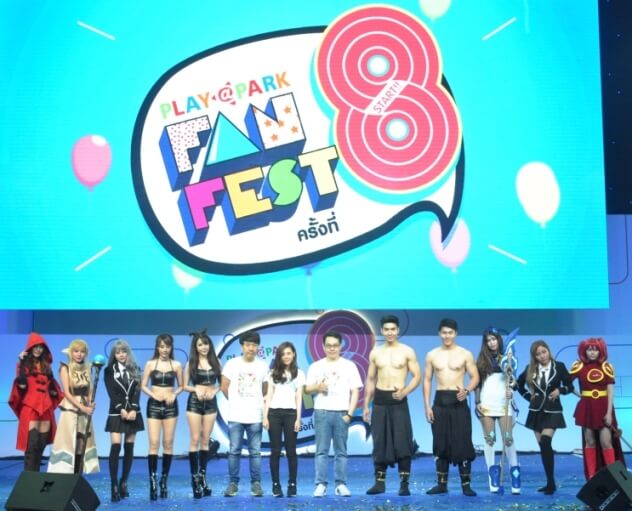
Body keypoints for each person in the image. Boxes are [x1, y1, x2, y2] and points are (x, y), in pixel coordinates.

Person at [362, 314, 421, 496]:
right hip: (380, 400)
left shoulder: (407, 351)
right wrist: (366, 405)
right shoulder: (375, 352)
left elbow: (417, 376)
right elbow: (370, 379)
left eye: (393, 329)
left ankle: (404, 484)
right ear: (381, 330)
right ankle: (379, 483)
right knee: (380, 442)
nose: (389, 333)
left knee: (402, 442)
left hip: (398, 400)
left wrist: (405, 391)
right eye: (386, 329)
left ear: (398, 330)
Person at [423, 318, 479, 496]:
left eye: (450, 332)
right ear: (439, 333)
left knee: (463, 442)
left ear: (456, 333)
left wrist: (467, 390)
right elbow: (427, 380)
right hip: (439, 401)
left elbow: (475, 377)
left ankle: (466, 486)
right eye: (444, 332)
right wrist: (427, 406)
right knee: (440, 444)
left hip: (458, 401)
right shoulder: (432, 355)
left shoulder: (465, 354)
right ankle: (441, 485)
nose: (447, 336)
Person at [305, 330, 363, 498]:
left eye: (335, 345)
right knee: (321, 451)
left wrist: (350, 414)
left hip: (342, 413)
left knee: (341, 452)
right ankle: (321, 484)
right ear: (323, 347)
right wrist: (318, 387)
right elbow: (307, 389)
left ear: (340, 346)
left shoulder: (349, 366)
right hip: (322, 412)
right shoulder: (316, 366)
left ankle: (340, 484)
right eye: (329, 345)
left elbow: (355, 391)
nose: (332, 348)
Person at [516, 339, 574, 494]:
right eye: (538, 354)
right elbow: (518, 385)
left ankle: (551, 483)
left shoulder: (559, 366)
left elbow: (570, 386)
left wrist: (560, 391)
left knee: (546, 441)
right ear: (534, 357)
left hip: (552, 411)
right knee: (543, 447)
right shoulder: (530, 369)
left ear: (548, 351)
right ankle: (549, 482)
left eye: (544, 352)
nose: (542, 356)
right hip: (536, 412)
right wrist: (528, 396)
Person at [221, 330, 269, 497]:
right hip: (236, 415)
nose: (251, 348)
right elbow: (224, 386)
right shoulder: (232, 364)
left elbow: (265, 390)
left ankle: (256, 484)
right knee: (234, 450)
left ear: (258, 347)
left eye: (254, 345)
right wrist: (236, 401)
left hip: (255, 415)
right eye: (248, 345)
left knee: (255, 452)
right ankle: (233, 484)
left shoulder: (263, 366)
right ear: (242, 346)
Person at [570, 337, 625, 480]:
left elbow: (610, 391)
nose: (592, 352)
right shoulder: (579, 366)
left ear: (601, 351)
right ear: (584, 351)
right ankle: (592, 476)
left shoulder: (606, 367)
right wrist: (580, 395)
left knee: (606, 442)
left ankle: (614, 476)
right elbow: (567, 383)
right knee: (590, 442)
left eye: (595, 350)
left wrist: (609, 413)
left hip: (603, 407)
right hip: (587, 408)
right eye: (589, 350)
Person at [474, 328, 520, 494]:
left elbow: (514, 381)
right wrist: (477, 402)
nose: (491, 343)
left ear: (499, 340)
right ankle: (492, 478)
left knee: (508, 439)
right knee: (490, 439)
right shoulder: (481, 360)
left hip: (504, 403)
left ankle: (515, 476)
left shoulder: (509, 357)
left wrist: (512, 388)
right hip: (487, 402)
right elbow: (477, 384)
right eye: (488, 340)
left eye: (494, 339)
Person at [9, 332, 62, 471]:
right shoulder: (23, 365)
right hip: (30, 408)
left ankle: (36, 480)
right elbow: (21, 386)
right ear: (30, 347)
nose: (38, 349)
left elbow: (53, 388)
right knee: (31, 449)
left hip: (46, 409)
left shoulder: (47, 366)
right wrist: (21, 362)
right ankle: (28, 480)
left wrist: (56, 395)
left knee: (40, 447)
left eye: (41, 347)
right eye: (35, 346)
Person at [141, 334, 183, 500]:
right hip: (154, 405)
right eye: (162, 346)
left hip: (171, 406)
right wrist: (153, 395)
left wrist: (174, 393)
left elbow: (182, 386)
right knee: (154, 443)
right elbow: (143, 385)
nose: (164, 350)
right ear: (157, 347)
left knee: (168, 443)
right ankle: (152, 481)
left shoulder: (177, 365)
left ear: (171, 347)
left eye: (167, 346)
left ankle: (163, 480)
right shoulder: (150, 364)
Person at [48, 339, 99, 474]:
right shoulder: (65, 368)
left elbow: (89, 390)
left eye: (82, 352)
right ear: (71, 352)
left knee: (82, 444)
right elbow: (67, 393)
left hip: (84, 410)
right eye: (76, 351)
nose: (79, 354)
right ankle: (65, 476)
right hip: (70, 409)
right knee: (69, 443)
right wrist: (82, 407)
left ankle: (77, 476)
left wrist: (90, 402)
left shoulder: (88, 368)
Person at [263, 341, 305, 497]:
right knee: (275, 451)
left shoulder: (299, 373)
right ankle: (276, 485)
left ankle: (292, 484)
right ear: (278, 356)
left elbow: (299, 397)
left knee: (291, 451)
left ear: (293, 354)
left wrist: (298, 418)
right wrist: (265, 416)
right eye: (283, 354)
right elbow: (268, 396)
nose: (286, 356)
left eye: (288, 353)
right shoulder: (272, 373)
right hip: (274, 414)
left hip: (291, 415)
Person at [104, 339, 144, 502]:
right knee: (115, 446)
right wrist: (121, 408)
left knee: (129, 447)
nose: (121, 355)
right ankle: (114, 484)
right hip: (116, 412)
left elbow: (137, 391)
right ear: (114, 355)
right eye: (118, 352)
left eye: (123, 352)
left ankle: (124, 482)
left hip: (133, 413)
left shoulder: (136, 369)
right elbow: (111, 393)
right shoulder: (108, 371)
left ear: (128, 353)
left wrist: (133, 409)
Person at [183, 329, 221, 498]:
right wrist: (195, 389)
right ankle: (194, 480)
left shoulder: (216, 361)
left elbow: (222, 384)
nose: (204, 347)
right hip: (194, 403)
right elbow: (184, 386)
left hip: (211, 403)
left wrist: (214, 391)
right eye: (200, 345)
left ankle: (203, 478)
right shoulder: (191, 363)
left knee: (205, 440)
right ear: (195, 347)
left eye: (206, 344)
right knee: (195, 439)